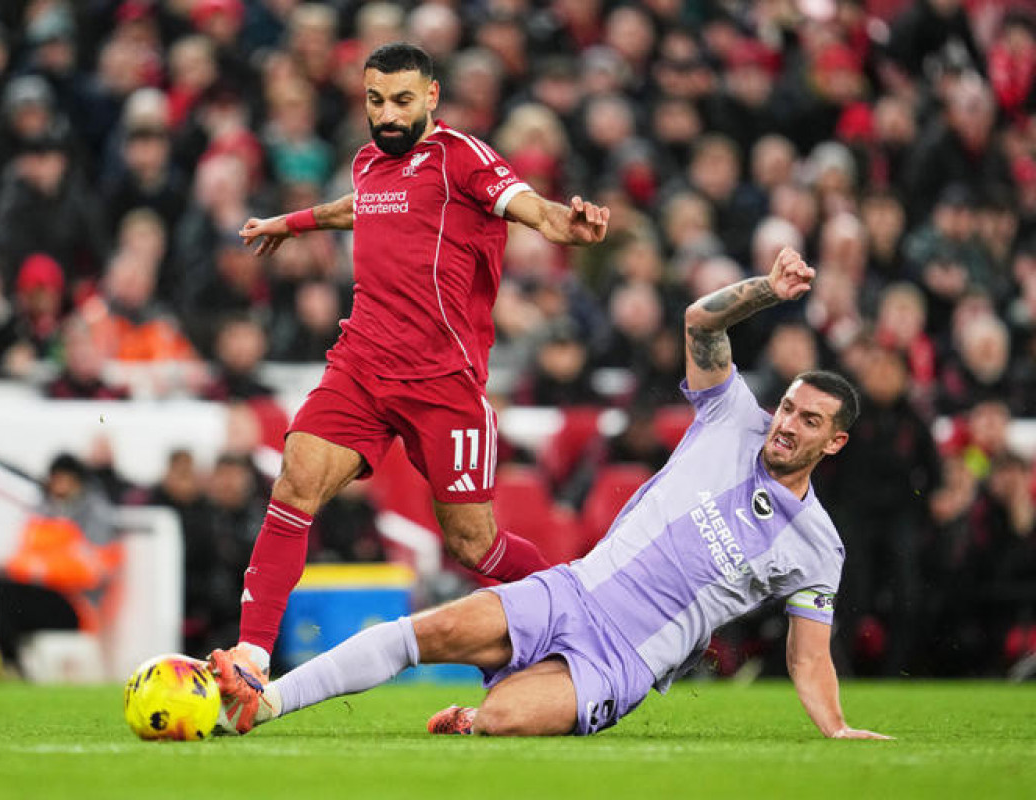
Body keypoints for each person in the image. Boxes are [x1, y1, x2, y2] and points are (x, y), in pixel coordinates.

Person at [207, 247, 890, 741]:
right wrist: (766, 289)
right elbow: (700, 323)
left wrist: (836, 727)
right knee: (429, 631)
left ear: (834, 442)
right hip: (573, 590)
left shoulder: (817, 546)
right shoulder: (732, 416)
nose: (787, 424)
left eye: (809, 421)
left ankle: (477, 715)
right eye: (788, 407)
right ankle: (263, 703)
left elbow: (807, 656)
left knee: (504, 720)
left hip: (623, 660)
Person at [230, 43, 610, 673]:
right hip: (361, 365)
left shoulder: (463, 157)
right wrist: (289, 223)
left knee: (475, 546)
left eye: (402, 101)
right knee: (295, 484)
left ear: (431, 96)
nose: (387, 115)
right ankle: (250, 660)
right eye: (375, 100)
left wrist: (566, 226)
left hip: (443, 380)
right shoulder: (367, 163)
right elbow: (359, 207)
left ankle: (589, 616)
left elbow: (531, 207)